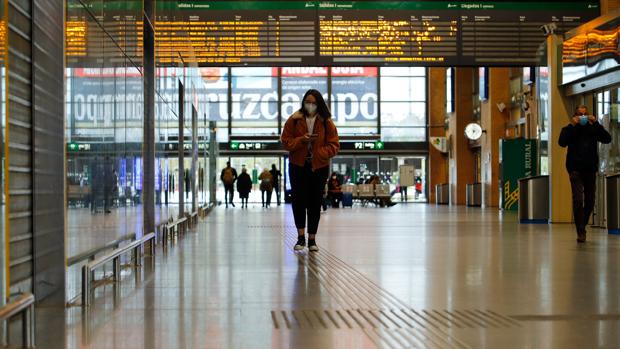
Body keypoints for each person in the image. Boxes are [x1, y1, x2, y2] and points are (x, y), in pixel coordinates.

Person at [281, 89, 340, 252]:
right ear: (303, 102)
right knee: (298, 201)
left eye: (314, 102)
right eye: (308, 101)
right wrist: (302, 140)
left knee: (315, 202)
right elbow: (285, 142)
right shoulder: (294, 120)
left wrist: (319, 153)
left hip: (319, 166)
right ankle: (300, 238)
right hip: (297, 165)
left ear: (319, 103)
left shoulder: (326, 122)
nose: (311, 105)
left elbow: (334, 145)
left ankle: (312, 239)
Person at [559, 105, 611, 243]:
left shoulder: (593, 129)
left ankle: (582, 224)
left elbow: (607, 139)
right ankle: (580, 231)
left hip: (590, 170)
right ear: (575, 116)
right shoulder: (570, 129)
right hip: (575, 170)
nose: (582, 117)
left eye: (585, 114)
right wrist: (572, 125)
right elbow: (562, 142)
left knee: (590, 200)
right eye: (580, 114)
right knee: (577, 200)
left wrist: (596, 123)